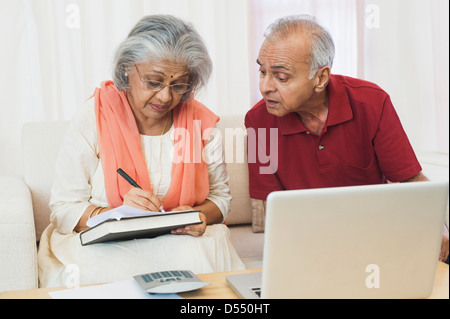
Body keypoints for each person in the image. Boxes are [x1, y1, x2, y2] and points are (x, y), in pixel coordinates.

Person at [38, 15, 244, 288]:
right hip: (107, 246)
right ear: (127, 69)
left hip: (181, 243)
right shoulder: (94, 116)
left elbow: (220, 199)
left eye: (178, 85)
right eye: (153, 82)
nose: (165, 97)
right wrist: (113, 213)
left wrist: (199, 214)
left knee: (201, 253)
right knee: (101, 265)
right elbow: (63, 209)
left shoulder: (200, 122)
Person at [245, 15, 449, 262]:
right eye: (262, 71)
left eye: (281, 77)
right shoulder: (257, 122)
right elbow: (273, 213)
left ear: (320, 78)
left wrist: (436, 225)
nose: (265, 86)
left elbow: (411, 180)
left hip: (377, 238)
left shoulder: (372, 103)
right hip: (308, 245)